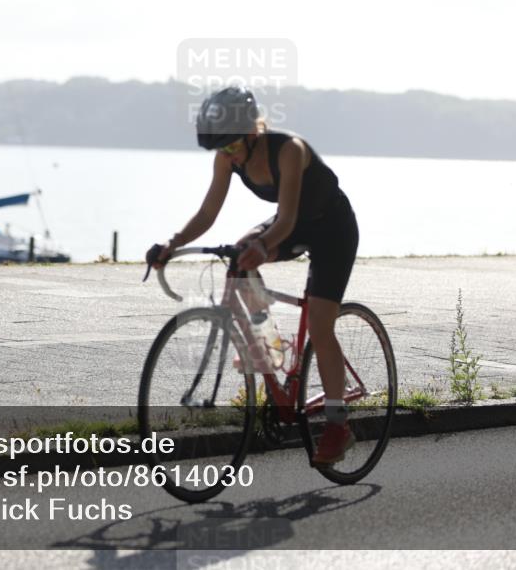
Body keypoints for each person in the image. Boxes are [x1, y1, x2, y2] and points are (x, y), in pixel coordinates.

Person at [148, 86, 360, 466]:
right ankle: (270, 343)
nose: (226, 154)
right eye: (220, 149)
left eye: (230, 146)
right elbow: (208, 212)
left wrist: (263, 246)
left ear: (251, 132)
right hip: (290, 226)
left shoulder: (289, 150)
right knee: (241, 253)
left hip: (332, 229)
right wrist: (172, 243)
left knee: (322, 327)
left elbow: (288, 217)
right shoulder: (228, 156)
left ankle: (338, 425)